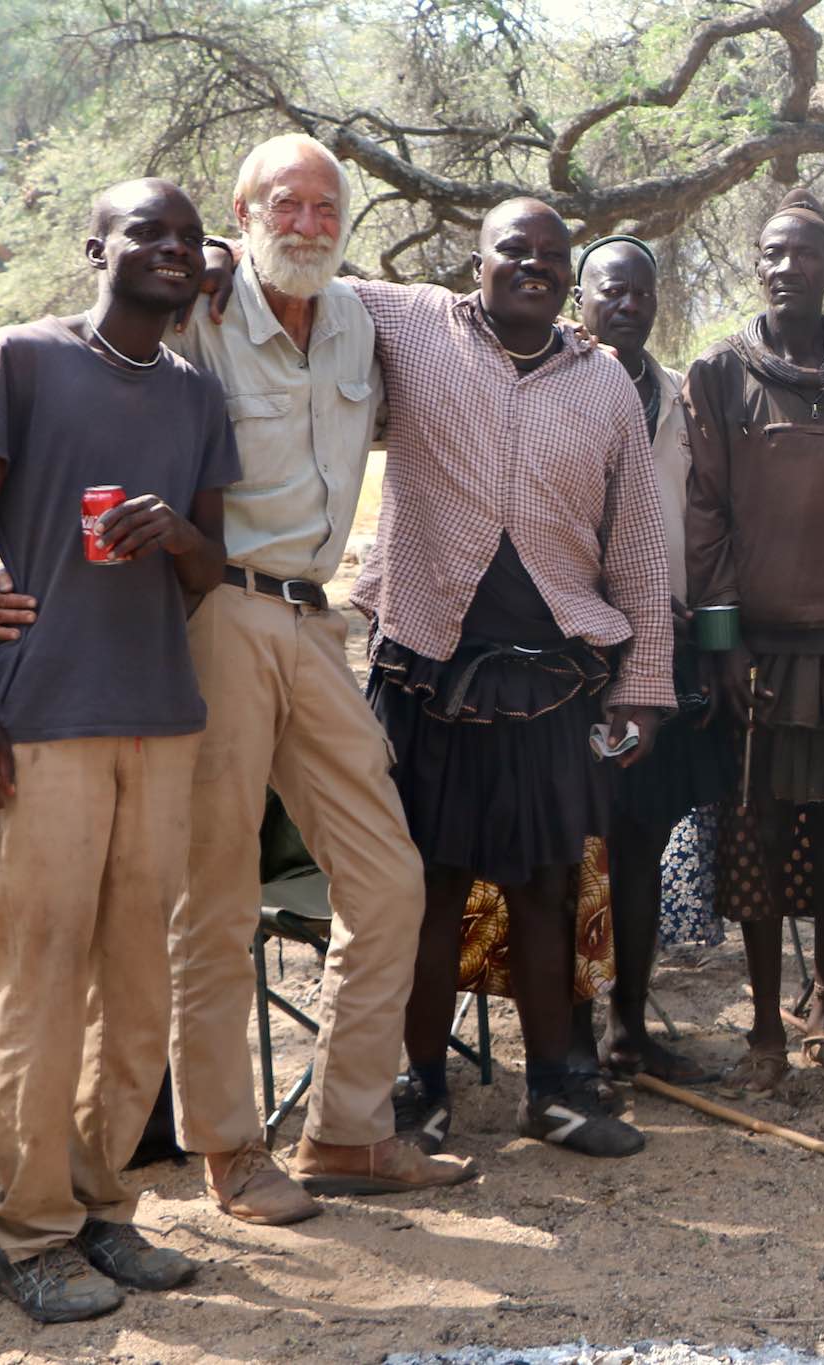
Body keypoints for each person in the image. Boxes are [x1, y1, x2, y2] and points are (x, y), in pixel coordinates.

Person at [0, 136, 475, 1224]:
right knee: (217, 899)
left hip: (314, 618)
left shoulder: (360, 317)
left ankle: (346, 1131)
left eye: (323, 205)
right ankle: (230, 1151)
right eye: (280, 205)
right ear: (239, 221)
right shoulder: (197, 304)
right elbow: (80, 388)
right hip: (213, 612)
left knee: (390, 879)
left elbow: (465, 309)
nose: (303, 222)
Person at [0, 178, 236, 1322]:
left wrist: (182, 536)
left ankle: (106, 1212)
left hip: (159, 717)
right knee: (44, 983)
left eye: (187, 237)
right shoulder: (20, 359)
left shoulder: (199, 395)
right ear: (96, 247)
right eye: (145, 231)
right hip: (41, 721)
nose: (168, 248)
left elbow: (213, 573)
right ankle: (31, 1232)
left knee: (136, 987)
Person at [335, 197, 673, 1159]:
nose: (533, 264)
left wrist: (643, 686)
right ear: (472, 260)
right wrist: (227, 253)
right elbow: (302, 278)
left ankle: (554, 1093)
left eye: (551, 255)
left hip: (553, 681)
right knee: (427, 892)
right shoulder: (411, 323)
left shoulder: (605, 384)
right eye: (512, 250)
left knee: (546, 892)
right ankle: (421, 1091)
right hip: (425, 667)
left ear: (570, 275)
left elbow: (641, 547)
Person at [680, 190, 824, 1096]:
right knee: (759, 833)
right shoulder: (720, 373)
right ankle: (764, 1028)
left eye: (805, 254)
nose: (786, 267)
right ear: (756, 265)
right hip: (761, 652)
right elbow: (705, 514)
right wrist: (724, 644)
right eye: (773, 253)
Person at [571, 233, 732, 1088]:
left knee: (638, 840)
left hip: (660, 652)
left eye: (642, 293)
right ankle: (567, 1042)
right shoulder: (550, 381)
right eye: (610, 290)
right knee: (569, 846)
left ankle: (630, 1030)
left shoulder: (679, 399)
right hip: (565, 655)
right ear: (581, 297)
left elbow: (698, 522)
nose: (627, 305)